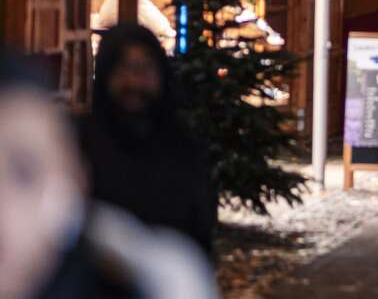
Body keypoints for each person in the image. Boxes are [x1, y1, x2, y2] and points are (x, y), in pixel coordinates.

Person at [1, 52, 216, 299]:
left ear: (73, 181)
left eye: (23, 173)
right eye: (124, 70)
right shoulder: (91, 139)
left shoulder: (157, 283)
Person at [78, 26, 216, 257]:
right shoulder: (80, 148)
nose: (133, 82)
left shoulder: (184, 149)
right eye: (123, 69)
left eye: (143, 69)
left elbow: (199, 233)